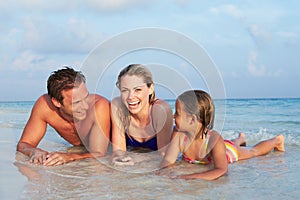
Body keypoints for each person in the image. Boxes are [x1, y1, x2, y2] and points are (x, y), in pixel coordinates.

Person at [159, 90, 285, 180]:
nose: (173, 116)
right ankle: (241, 138)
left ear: (192, 119)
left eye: (177, 113)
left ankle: (276, 140)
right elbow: (167, 162)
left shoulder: (214, 138)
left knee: (253, 151)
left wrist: (187, 176)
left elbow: (221, 170)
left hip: (227, 153)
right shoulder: (179, 134)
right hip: (221, 146)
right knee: (230, 143)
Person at [17, 67, 111, 166]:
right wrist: (35, 152)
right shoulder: (45, 107)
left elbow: (100, 154)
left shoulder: (98, 107)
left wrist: (69, 156)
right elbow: (24, 144)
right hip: (82, 150)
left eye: (86, 97)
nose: (86, 106)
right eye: (77, 102)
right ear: (56, 102)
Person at [111, 64, 173, 165]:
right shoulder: (117, 106)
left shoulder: (161, 110)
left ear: (150, 88)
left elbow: (164, 153)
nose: (130, 97)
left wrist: (138, 159)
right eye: (125, 90)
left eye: (138, 90)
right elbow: (118, 151)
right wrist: (119, 160)